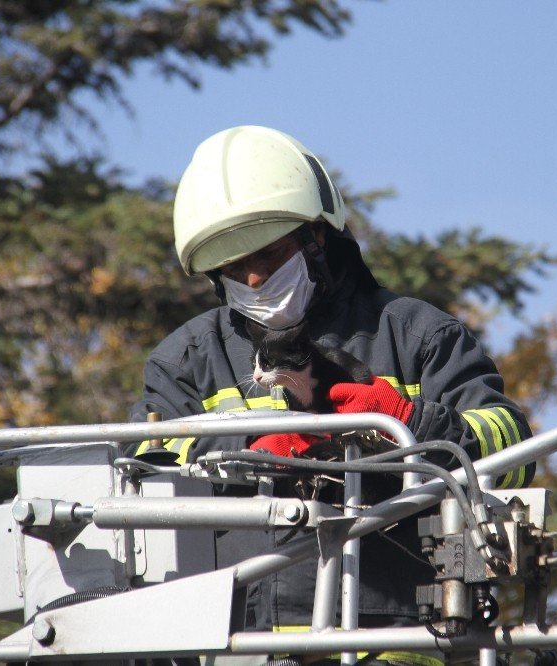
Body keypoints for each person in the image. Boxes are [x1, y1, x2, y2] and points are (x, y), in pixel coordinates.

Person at [129, 126, 534, 648]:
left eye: (269, 255)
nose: (253, 280)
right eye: (233, 266)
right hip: (235, 642)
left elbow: (514, 451)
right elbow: (143, 468)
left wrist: (408, 423)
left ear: (316, 238)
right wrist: (248, 449)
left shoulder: (415, 336)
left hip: (393, 643)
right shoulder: (186, 361)